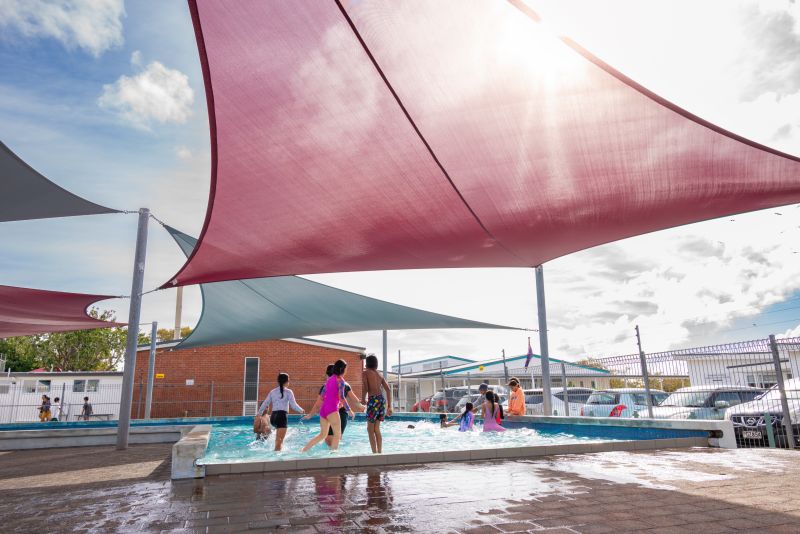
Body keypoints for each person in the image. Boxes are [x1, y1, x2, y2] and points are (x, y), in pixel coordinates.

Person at [304, 364, 363, 447]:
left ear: (327, 374)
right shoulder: (345, 384)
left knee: (327, 438)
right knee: (336, 438)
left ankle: (328, 455)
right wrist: (362, 406)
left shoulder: (326, 385)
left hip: (329, 412)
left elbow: (318, 403)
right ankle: (334, 455)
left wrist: (311, 414)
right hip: (341, 414)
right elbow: (355, 400)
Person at [302, 359, 349, 452]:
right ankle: (333, 455)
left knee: (322, 435)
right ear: (343, 369)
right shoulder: (341, 381)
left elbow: (322, 397)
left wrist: (311, 414)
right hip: (332, 410)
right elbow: (342, 397)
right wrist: (349, 409)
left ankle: (304, 450)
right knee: (337, 435)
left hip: (323, 410)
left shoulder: (328, 381)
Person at [257, 373, 305, 451]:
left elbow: (265, 403)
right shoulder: (289, 392)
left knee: (277, 441)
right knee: (279, 443)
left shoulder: (272, 392)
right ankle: (276, 460)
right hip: (282, 417)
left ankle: (274, 454)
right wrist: (301, 410)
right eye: (288, 381)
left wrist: (259, 414)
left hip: (273, 417)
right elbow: (293, 405)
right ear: (286, 382)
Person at [362, 354, 393, 454]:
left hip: (373, 401)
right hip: (381, 401)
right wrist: (389, 406)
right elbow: (388, 390)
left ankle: (374, 453)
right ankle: (379, 452)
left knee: (370, 429)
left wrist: (363, 399)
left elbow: (366, 388)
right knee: (376, 429)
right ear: (376, 364)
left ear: (367, 364)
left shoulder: (365, 373)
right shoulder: (379, 374)